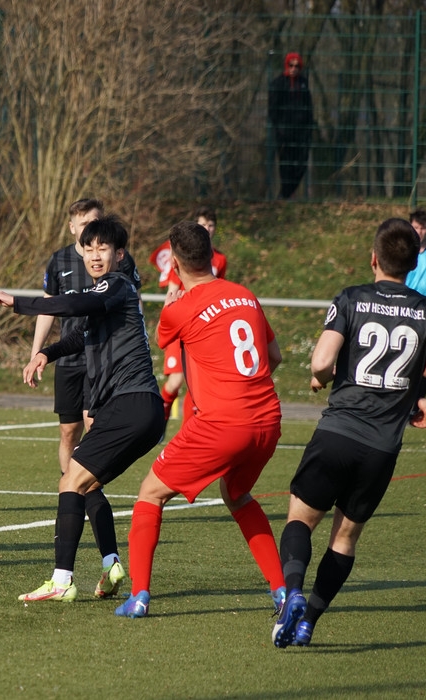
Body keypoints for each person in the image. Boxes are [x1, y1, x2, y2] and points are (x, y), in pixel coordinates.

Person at [271, 218, 426, 648]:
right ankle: (309, 621)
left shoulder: (351, 297)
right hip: (382, 447)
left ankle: (293, 593)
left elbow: (322, 362)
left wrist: (322, 376)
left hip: (337, 432)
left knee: (300, 519)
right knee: (345, 537)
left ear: (373, 258)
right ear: (414, 265)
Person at [0, 215, 164, 603]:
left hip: (131, 403)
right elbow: (80, 337)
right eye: (90, 248)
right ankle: (111, 563)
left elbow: (71, 303)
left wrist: (19, 302)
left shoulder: (116, 284)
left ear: (120, 254)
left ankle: (62, 580)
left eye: (104, 248)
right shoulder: (107, 297)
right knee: (86, 484)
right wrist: (45, 355)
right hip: (141, 410)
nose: (96, 255)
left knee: (70, 480)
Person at [117, 220, 285, 619]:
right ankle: (282, 591)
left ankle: (139, 596)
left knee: (150, 493)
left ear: (174, 263)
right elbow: (274, 356)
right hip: (268, 420)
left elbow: (164, 336)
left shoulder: (180, 309)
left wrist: (173, 298)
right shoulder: (245, 295)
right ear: (212, 256)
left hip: (222, 425)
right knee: (237, 495)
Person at [30, 198, 142, 475]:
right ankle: (70, 488)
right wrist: (37, 353)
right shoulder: (59, 260)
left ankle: (86, 487)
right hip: (69, 356)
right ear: (72, 228)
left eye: (94, 222)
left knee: (94, 427)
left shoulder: (119, 260)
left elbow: (133, 301)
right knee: (69, 431)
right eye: (83, 224)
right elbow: (49, 307)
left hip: (101, 357)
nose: (90, 230)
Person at [154, 205, 227, 423]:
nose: (207, 228)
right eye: (203, 224)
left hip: (204, 324)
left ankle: (191, 427)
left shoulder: (220, 259)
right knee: (175, 381)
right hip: (182, 320)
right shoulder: (183, 258)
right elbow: (172, 291)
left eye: (210, 225)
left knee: (198, 383)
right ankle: (158, 420)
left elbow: (218, 290)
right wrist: (168, 317)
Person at [268, 52, 314, 199]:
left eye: (297, 66)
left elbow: (308, 107)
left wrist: (308, 127)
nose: (294, 68)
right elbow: (272, 109)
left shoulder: (303, 83)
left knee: (301, 163)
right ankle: (285, 195)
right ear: (286, 65)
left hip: (301, 133)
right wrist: (279, 128)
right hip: (284, 133)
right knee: (286, 164)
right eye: (291, 65)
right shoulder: (278, 84)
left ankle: (286, 194)